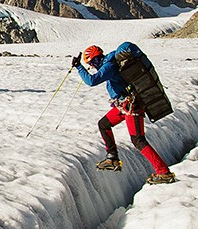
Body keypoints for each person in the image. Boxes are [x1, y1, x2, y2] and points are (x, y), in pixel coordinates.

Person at [72, 43, 176, 185]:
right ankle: (112, 157)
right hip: (124, 105)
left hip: (131, 106)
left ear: (95, 59)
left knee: (138, 140)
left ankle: (164, 172)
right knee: (103, 125)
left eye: (91, 63)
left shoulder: (109, 66)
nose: (92, 66)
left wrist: (79, 67)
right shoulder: (109, 63)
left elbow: (92, 81)